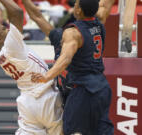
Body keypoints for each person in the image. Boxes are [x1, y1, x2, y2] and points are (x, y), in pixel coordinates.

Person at [24, 0, 115, 135]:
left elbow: (65, 59)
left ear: (78, 10)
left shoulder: (72, 33)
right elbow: (37, 16)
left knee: (71, 132)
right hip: (101, 88)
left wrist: (46, 76)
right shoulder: (98, 22)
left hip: (83, 89)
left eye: (76, 4)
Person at [0, 0, 63, 135]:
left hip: (27, 102)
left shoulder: (0, 56)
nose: (8, 29)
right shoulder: (11, 46)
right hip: (44, 96)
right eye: (3, 29)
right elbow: (18, 12)